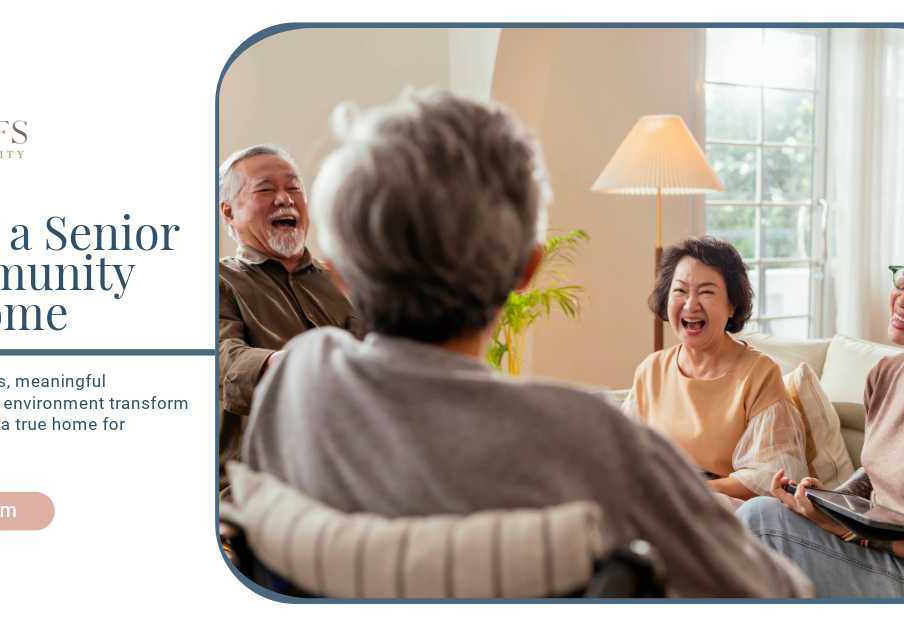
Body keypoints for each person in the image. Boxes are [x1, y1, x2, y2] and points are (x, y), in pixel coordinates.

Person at [242, 89, 811, 597]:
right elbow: (777, 596)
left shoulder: (295, 382)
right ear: (527, 267)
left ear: (337, 271)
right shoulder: (588, 439)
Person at [735, 265, 904, 597]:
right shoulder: (886, 374)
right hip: (871, 547)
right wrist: (829, 502)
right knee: (763, 510)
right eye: (902, 280)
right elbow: (876, 468)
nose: (901, 299)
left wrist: (849, 531)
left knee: (757, 521)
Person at [622, 237, 808, 502]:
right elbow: (622, 454)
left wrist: (687, 489)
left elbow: (770, 479)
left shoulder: (759, 374)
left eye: (706, 292)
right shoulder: (651, 370)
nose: (690, 304)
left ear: (732, 305)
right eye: (680, 291)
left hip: (723, 505)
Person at [218, 144, 358, 495]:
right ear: (229, 213)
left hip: (357, 489)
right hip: (259, 499)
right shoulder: (218, 281)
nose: (284, 199)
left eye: (294, 188)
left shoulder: (353, 283)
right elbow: (221, 359)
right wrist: (305, 363)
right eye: (266, 189)